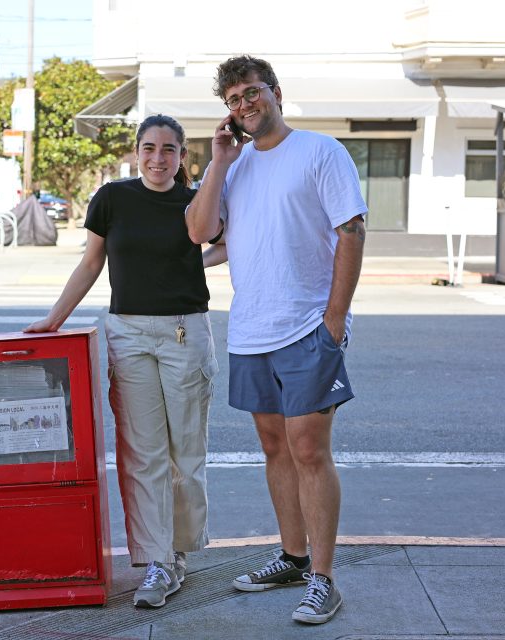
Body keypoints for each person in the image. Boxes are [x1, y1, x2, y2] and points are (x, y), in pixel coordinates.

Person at [187, 55, 367, 625]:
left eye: (252, 92)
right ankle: (291, 555)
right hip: (251, 330)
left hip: (308, 324)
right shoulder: (234, 167)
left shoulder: (320, 151)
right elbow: (200, 233)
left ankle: (323, 576)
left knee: (309, 450)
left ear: (276, 92)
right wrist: (217, 161)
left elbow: (352, 231)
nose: (245, 105)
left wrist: (334, 319)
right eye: (234, 100)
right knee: (273, 449)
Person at [25, 114, 219, 609]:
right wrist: (54, 318)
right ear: (136, 151)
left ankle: (178, 552)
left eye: (169, 149)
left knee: (185, 453)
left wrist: (188, 261)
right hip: (128, 333)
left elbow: (222, 242)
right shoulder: (112, 198)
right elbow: (92, 261)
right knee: (141, 452)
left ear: (182, 155)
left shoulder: (197, 200)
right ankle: (156, 561)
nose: (158, 158)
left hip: (184, 331)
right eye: (149, 148)